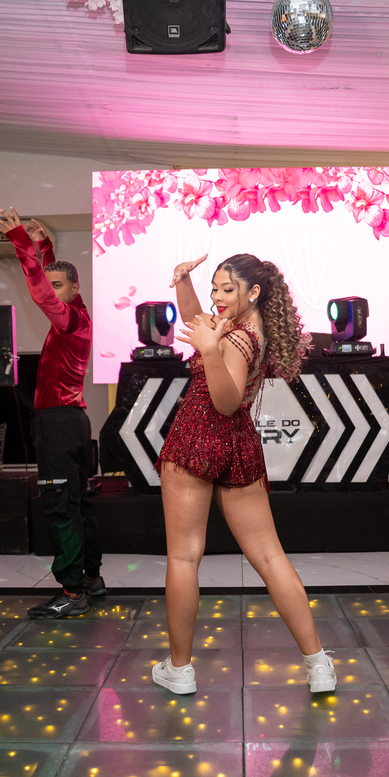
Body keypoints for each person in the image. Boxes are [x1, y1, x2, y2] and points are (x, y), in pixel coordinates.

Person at [152, 246, 334, 695]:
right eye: (215, 288)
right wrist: (184, 282)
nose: (217, 298)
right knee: (271, 558)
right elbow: (198, 325)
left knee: (184, 557)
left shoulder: (237, 339)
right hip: (238, 445)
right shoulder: (249, 327)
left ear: (253, 292)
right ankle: (318, 665)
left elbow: (226, 400)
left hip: (197, 438)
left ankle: (180, 670)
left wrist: (210, 353)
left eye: (227, 290)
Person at [0, 208, 104, 620]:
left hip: (59, 423)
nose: (53, 291)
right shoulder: (78, 314)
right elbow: (53, 282)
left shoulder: (71, 320)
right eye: (53, 283)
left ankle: (72, 593)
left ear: (75, 289)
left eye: (61, 286)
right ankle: (90, 579)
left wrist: (21, 242)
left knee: (60, 506)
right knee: (78, 503)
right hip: (69, 421)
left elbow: (43, 292)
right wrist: (44, 246)